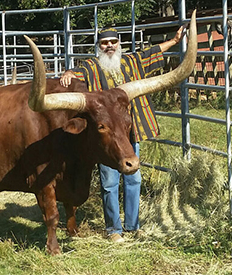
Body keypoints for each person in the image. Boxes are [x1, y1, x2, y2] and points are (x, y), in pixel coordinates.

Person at [60, 25, 185, 243]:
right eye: (104, 43)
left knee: (133, 179)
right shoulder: (91, 67)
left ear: (119, 44)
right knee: (109, 182)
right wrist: (69, 72)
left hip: (130, 131)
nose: (109, 46)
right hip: (107, 137)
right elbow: (77, 74)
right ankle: (113, 229)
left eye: (113, 42)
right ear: (98, 46)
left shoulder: (132, 61)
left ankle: (133, 225)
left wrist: (174, 41)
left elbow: (152, 53)